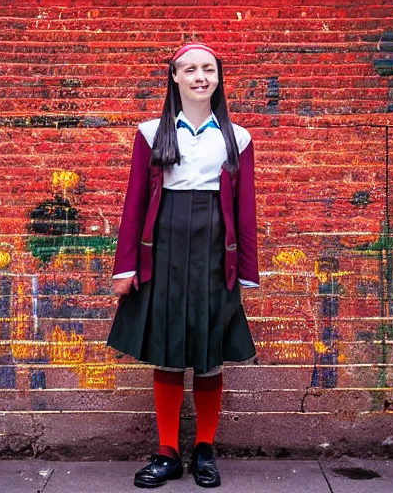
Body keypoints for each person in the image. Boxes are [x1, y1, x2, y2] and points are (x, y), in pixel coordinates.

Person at [106, 42, 259, 489]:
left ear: (217, 77)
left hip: (216, 251)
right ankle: (168, 451)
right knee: (170, 353)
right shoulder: (152, 133)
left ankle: (204, 451)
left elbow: (243, 208)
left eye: (208, 69)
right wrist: (125, 267)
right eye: (189, 69)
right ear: (174, 77)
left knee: (210, 355)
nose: (199, 76)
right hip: (164, 249)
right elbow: (134, 202)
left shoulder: (238, 137)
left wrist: (246, 271)